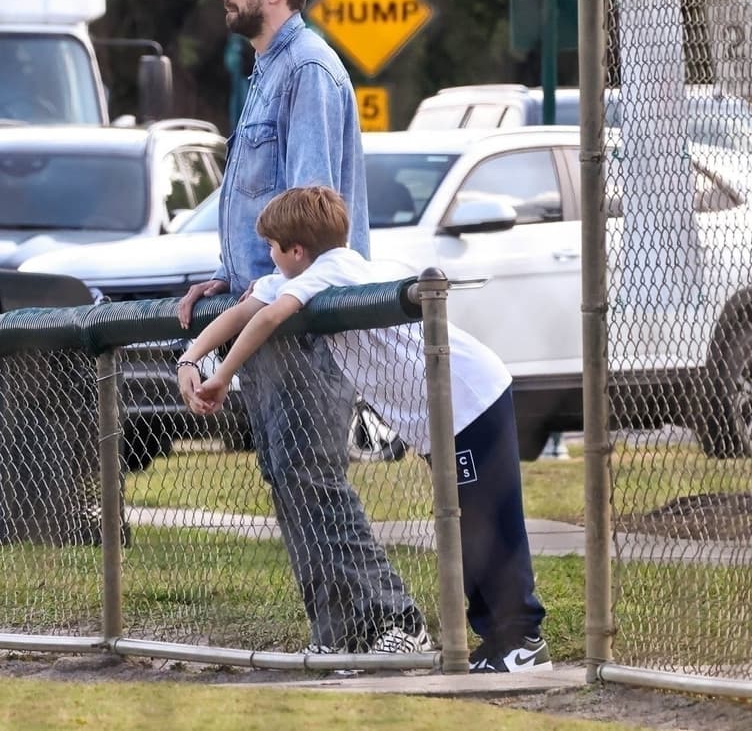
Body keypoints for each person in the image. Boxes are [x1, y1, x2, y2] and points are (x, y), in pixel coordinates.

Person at [178, 186, 550, 673]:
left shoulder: (336, 269)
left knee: (489, 525)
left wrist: (222, 376)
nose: (268, 258)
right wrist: (191, 358)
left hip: (469, 399)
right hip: (442, 416)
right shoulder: (303, 274)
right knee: (466, 527)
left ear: (297, 250)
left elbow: (269, 315)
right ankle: (498, 642)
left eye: (272, 247)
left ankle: (522, 641)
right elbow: (244, 311)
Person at [178, 0, 428, 655]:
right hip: (269, 306)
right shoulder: (269, 71)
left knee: (311, 476)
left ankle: (396, 623)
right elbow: (272, 219)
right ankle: (344, 638)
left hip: (304, 317)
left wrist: (257, 291)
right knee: (290, 476)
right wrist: (232, 275)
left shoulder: (308, 70)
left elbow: (310, 220)